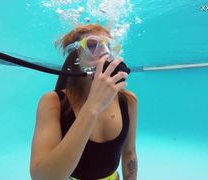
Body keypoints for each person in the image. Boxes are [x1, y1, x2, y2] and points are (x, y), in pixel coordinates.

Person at [30, 24, 138, 180]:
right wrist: (93, 106)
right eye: (92, 45)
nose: (105, 53)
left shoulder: (128, 101)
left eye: (109, 46)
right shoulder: (52, 102)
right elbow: (42, 177)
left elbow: (129, 153)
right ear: (74, 56)